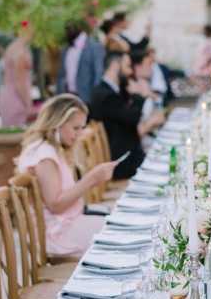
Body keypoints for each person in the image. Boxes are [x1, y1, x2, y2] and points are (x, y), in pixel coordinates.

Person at [18, 94, 117, 256]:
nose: (79, 134)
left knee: (118, 224)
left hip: (66, 225)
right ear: (57, 124)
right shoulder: (45, 156)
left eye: (82, 128)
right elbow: (55, 205)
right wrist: (91, 179)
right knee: (117, 234)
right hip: (56, 235)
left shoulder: (48, 148)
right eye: (75, 128)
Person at [89, 50, 165, 179]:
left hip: (130, 156)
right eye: (128, 66)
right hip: (122, 163)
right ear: (115, 66)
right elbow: (133, 118)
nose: (130, 72)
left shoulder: (114, 90)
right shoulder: (105, 95)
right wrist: (139, 95)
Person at [56, 21, 105, 104]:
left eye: (70, 27)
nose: (67, 30)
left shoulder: (94, 47)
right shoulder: (65, 49)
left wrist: (96, 99)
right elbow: (62, 74)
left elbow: (98, 74)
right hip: (67, 97)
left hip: (87, 98)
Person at [0, 21, 34, 127]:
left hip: (7, 96)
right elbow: (19, 82)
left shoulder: (11, 47)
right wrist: (28, 105)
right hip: (17, 99)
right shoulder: (20, 51)